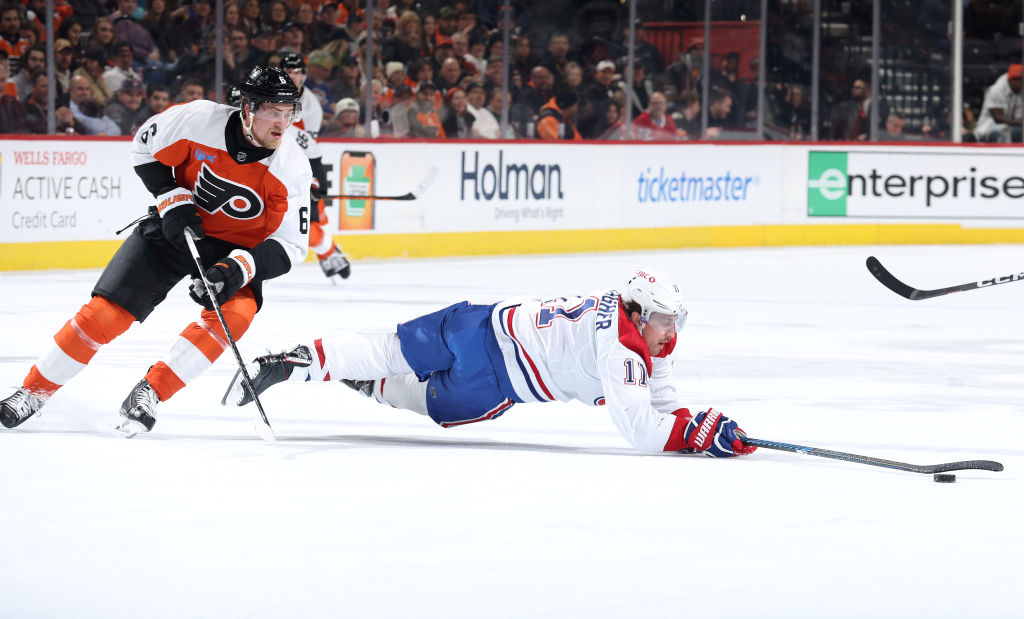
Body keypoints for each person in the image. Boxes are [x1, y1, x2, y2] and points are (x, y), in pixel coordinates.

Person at [0, 65, 311, 435]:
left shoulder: (292, 167)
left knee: (236, 316)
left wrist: (238, 267)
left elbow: (292, 246)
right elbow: (143, 146)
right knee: (105, 313)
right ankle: (33, 391)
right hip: (174, 228)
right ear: (247, 108)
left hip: (236, 249)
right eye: (272, 111)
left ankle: (151, 391)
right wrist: (171, 196)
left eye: (288, 112)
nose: (281, 122)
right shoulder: (197, 120)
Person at [223, 267, 756, 458]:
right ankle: (366, 387)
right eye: (664, 319)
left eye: (676, 320)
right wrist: (694, 435)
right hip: (497, 382)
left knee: (391, 347)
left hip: (479, 322)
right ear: (638, 314)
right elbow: (642, 429)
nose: (672, 330)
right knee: (425, 401)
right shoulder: (622, 349)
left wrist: (693, 424)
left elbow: (661, 401)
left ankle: (298, 362)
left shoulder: (626, 316)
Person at [279, 52, 352, 280]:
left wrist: (312, 180)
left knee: (309, 220)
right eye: (289, 71)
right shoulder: (270, 92)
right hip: (272, 161)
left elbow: (307, 147)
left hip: (297, 167)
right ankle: (328, 252)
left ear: (304, 75)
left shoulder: (311, 107)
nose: (293, 76)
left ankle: (329, 252)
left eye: (298, 72)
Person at [975, 64, 1024, 142]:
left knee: (1017, 131)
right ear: (1010, 79)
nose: (1018, 83)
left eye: (1020, 80)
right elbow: (997, 118)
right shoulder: (996, 89)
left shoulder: (1020, 91)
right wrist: (1020, 122)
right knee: (1004, 129)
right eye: (1015, 80)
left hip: (1011, 128)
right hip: (987, 129)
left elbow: (1019, 116)